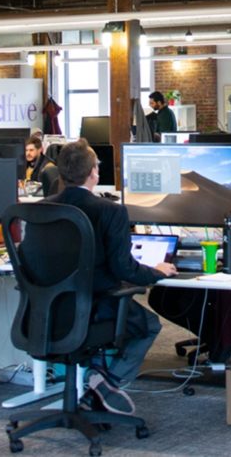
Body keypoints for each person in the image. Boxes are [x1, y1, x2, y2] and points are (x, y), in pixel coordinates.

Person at [39, 139, 176, 415]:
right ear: (93, 173)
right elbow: (125, 269)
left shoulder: (39, 208)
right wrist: (156, 271)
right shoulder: (111, 211)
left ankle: (96, 376)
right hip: (95, 308)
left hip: (45, 312)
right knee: (148, 325)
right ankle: (106, 384)